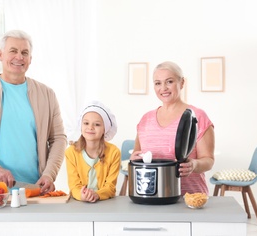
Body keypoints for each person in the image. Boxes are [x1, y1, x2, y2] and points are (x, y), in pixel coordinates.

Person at [0, 30, 67, 194]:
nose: (19, 57)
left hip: (36, 189)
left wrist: (50, 174)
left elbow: (58, 138)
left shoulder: (47, 94)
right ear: (0, 54)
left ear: (30, 59)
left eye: (25, 53)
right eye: (13, 51)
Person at [130, 61, 215, 195]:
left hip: (189, 198)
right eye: (158, 83)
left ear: (182, 83)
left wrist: (194, 165)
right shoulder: (146, 120)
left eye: (169, 81)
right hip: (151, 197)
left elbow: (208, 160)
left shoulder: (198, 116)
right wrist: (134, 159)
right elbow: (136, 155)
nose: (163, 88)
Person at [65, 101, 121, 202]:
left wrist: (96, 195)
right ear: (81, 126)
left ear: (105, 129)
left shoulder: (114, 152)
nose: (90, 127)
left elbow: (110, 188)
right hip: (78, 203)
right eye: (86, 123)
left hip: (104, 203)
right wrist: (82, 195)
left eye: (97, 124)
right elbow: (74, 186)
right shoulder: (71, 152)